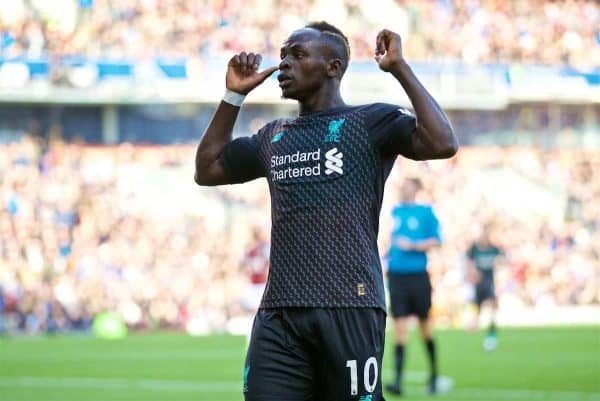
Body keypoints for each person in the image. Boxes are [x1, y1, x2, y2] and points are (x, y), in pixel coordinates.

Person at [194, 21, 458, 401]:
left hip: (350, 308)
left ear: (333, 67)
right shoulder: (273, 136)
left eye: (297, 55)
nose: (284, 63)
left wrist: (399, 68)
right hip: (279, 317)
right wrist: (233, 97)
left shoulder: (370, 122)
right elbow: (207, 169)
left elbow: (442, 142)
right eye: (283, 54)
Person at [385, 178, 441, 396]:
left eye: (408, 186)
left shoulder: (425, 212)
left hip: (418, 276)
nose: (403, 189)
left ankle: (434, 375)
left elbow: (437, 241)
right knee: (399, 329)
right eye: (402, 186)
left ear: (417, 189)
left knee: (425, 327)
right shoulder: (393, 212)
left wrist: (414, 245)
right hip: (397, 277)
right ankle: (398, 382)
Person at [466, 223, 503, 351]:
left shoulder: (494, 249)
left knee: (492, 305)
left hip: (489, 282)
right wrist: (472, 273)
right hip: (477, 284)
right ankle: (474, 326)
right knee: (476, 308)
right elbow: (469, 263)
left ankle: (491, 330)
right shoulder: (474, 249)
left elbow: (501, 261)